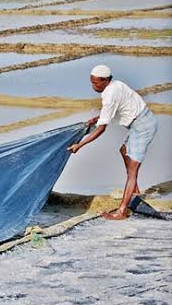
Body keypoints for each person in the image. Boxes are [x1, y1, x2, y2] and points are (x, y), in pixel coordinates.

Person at [67, 65, 158, 220]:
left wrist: (79, 145)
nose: (93, 86)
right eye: (91, 83)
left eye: (96, 83)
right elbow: (115, 109)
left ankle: (122, 211)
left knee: (132, 172)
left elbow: (102, 129)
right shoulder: (116, 85)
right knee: (124, 151)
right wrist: (97, 118)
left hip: (143, 127)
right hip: (140, 122)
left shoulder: (110, 94)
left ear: (106, 80)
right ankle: (134, 191)